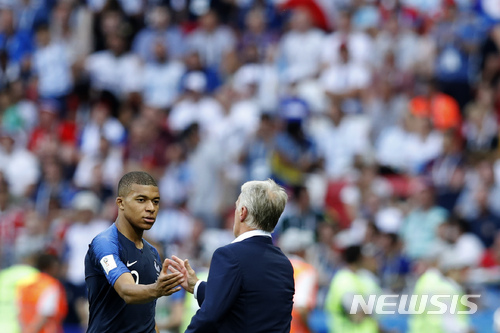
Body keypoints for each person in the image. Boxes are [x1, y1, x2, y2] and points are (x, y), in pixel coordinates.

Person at [170, 179, 294, 333]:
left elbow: (209, 316)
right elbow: (247, 302)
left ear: (242, 212)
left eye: (236, 207)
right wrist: (196, 286)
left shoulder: (229, 255)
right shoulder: (284, 263)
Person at [84, 171, 184, 333]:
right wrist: (156, 290)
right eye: (141, 200)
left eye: (156, 202)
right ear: (120, 203)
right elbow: (126, 291)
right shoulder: (105, 244)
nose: (151, 208)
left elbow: (147, 318)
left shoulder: (152, 252)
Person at [18, 253, 68, 333]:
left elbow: (19, 312)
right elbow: (45, 314)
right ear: (51, 267)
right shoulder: (51, 285)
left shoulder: (27, 284)